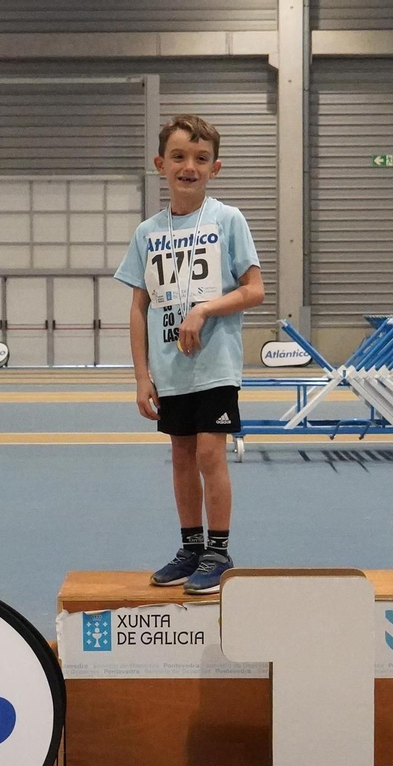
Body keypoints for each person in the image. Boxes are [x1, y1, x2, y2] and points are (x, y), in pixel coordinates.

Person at [114, 114, 265, 594]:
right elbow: (139, 308)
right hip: (169, 369)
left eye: (200, 159)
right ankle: (191, 546)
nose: (189, 166)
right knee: (180, 457)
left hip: (215, 364)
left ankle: (219, 552)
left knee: (207, 453)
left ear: (214, 168)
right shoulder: (147, 233)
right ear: (161, 164)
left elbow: (255, 290)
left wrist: (204, 310)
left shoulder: (227, 220)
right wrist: (142, 376)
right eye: (178, 157)